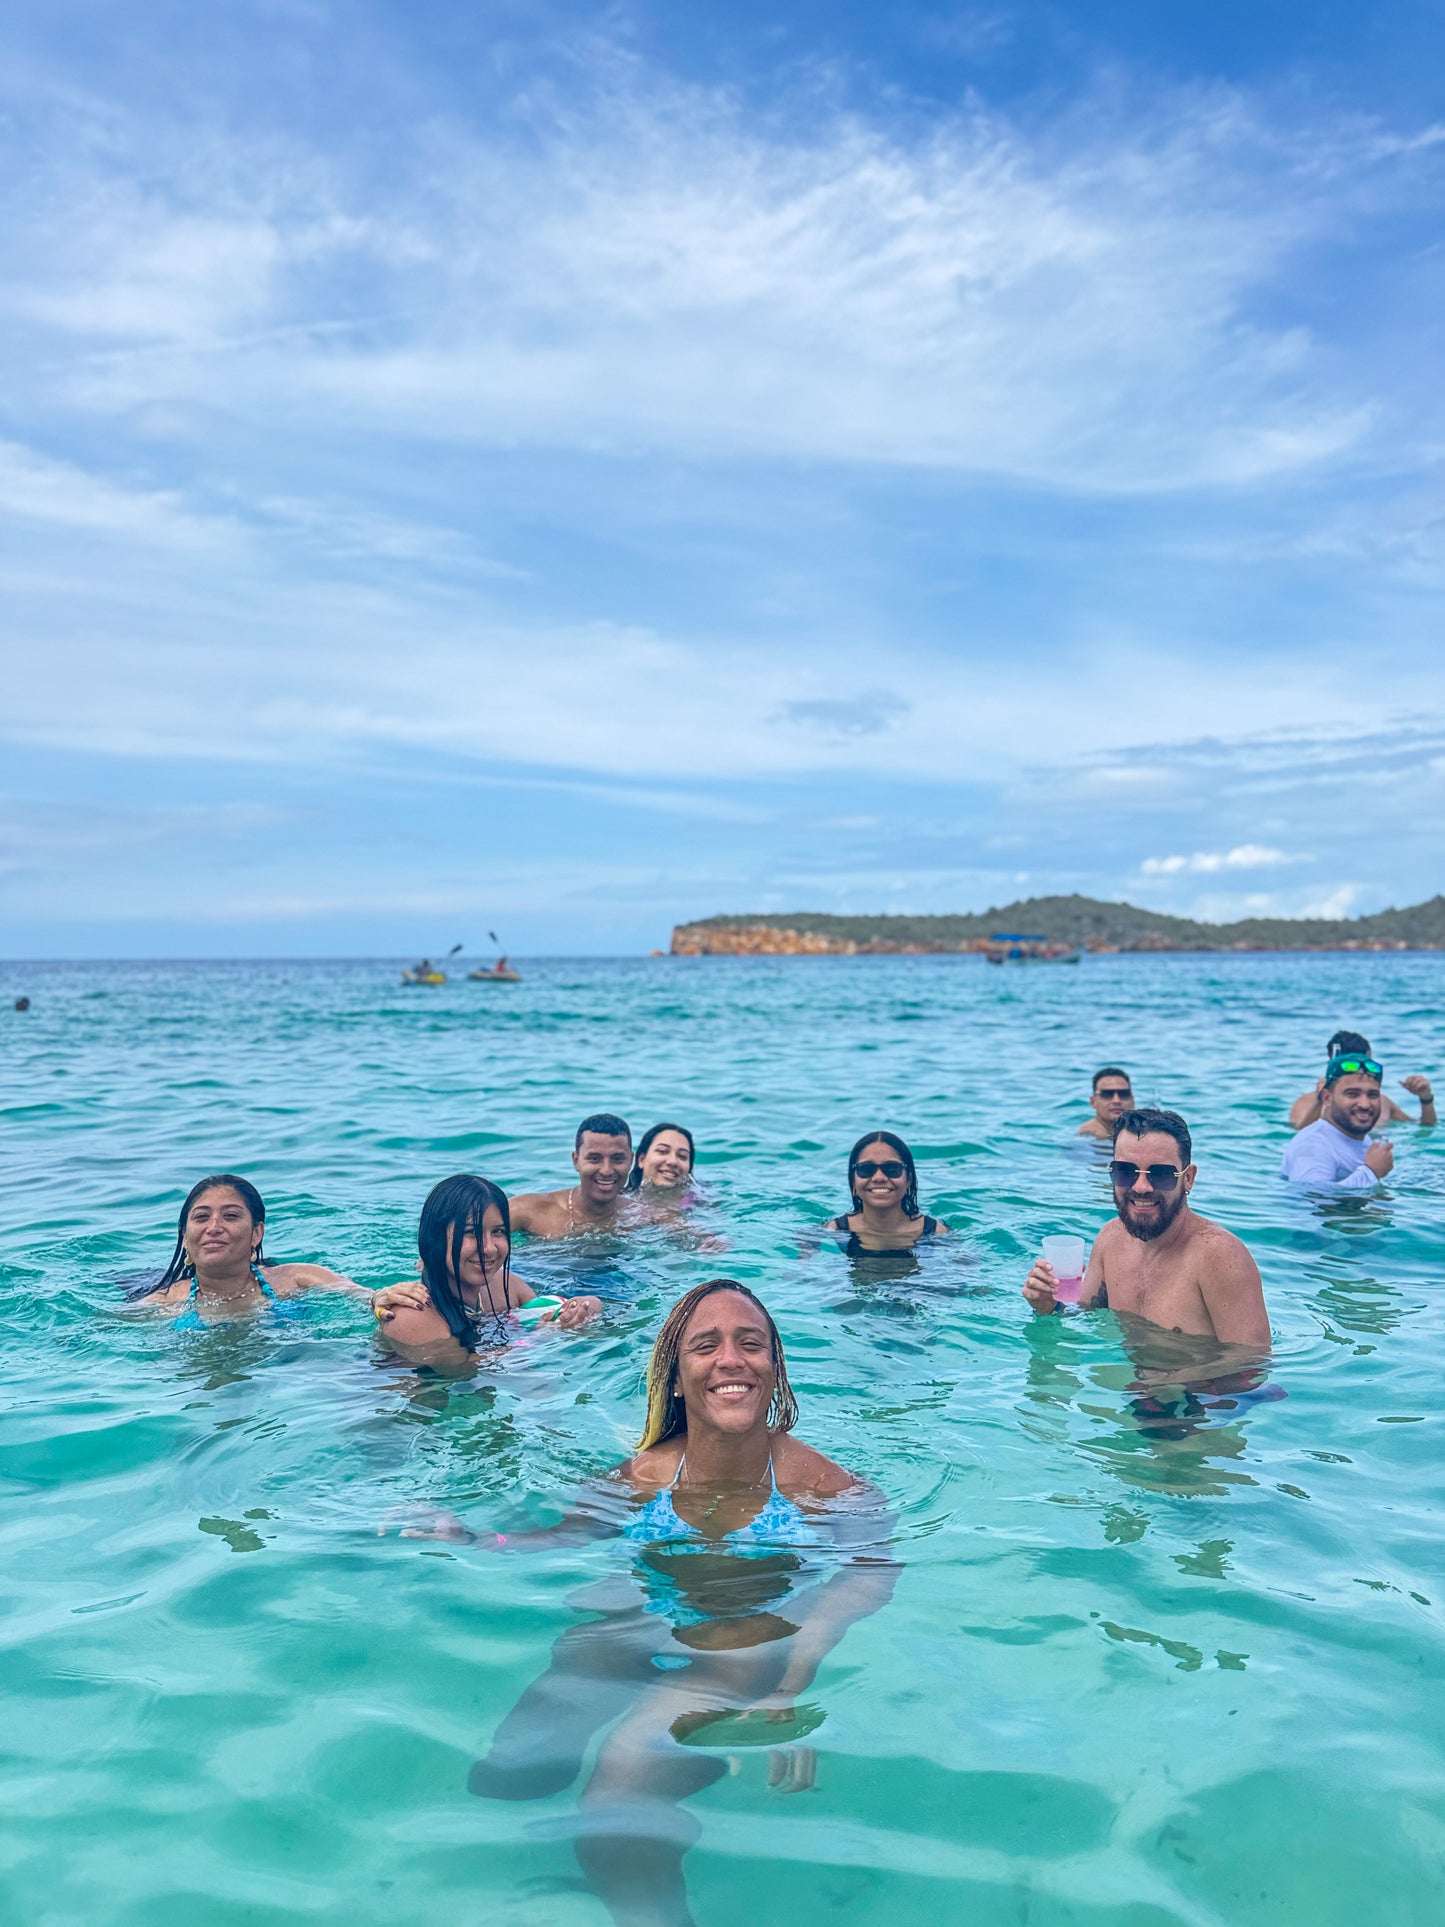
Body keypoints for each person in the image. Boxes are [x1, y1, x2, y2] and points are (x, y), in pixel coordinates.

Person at [412, 1279, 896, 1927]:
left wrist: (792, 1674)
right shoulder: (641, 1474)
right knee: (512, 1769)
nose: (730, 1358)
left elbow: (869, 1571)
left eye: (750, 1343)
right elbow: (560, 1536)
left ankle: (646, 1897)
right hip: (628, 1635)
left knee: (616, 1798)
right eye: (706, 1345)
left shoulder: (824, 1485)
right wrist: (472, 1536)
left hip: (730, 1656)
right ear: (674, 1376)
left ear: (774, 1368)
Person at [1023, 1108, 1270, 1346]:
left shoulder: (1220, 1257)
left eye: (1160, 1174)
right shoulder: (1110, 1239)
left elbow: (1250, 1371)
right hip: (1125, 1385)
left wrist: (1170, 1388)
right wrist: (1048, 1306)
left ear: (1188, 1178)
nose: (1141, 1187)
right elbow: (1082, 1318)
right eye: (1126, 1171)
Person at [375, 1175, 601, 1371]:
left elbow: (545, 1312)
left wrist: (583, 1307)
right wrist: (540, 1338)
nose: (490, 1248)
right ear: (436, 1239)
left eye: (498, 1232)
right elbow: (461, 1370)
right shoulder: (413, 1314)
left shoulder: (505, 1285)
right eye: (472, 1233)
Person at [134, 1174, 409, 1327]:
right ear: (184, 1237)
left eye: (230, 1216)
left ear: (257, 1232)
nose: (214, 1227)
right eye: (201, 1217)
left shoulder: (298, 1278)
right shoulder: (164, 1303)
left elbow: (360, 1294)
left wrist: (379, 1298)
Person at [1282, 1052, 1397, 1190]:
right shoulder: (1313, 1144)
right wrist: (1371, 1172)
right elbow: (1311, 1198)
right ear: (1327, 1098)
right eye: (1352, 1094)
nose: (1365, 1104)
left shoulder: (1363, 1141)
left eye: (1372, 1095)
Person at [510, 1112, 634, 1238]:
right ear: (576, 1161)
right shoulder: (526, 1211)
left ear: (631, 1161)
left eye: (617, 1159)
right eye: (594, 1158)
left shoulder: (639, 1216)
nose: (606, 1171)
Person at [820, 1132, 948, 1253]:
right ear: (853, 1181)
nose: (879, 1178)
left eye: (891, 1168)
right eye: (866, 1169)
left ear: (909, 1179)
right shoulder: (835, 1231)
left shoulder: (935, 1232)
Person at [1289, 1029, 1434, 1130]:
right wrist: (1319, 1102)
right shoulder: (1307, 1103)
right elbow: (1300, 1141)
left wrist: (1425, 1099)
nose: (1365, 1073)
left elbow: (1426, 1129)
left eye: (1369, 1065)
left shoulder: (1381, 1102)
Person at [626, 1122, 699, 1204]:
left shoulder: (698, 1203)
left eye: (682, 1156)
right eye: (663, 1151)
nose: (673, 1161)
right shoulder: (618, 1201)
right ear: (641, 1160)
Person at [1077, 1068, 1134, 1138]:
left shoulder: (1144, 1127)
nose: (1116, 1101)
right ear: (1093, 1102)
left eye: (1124, 1093)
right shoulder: (1088, 1136)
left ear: (1132, 1099)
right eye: (1107, 1094)